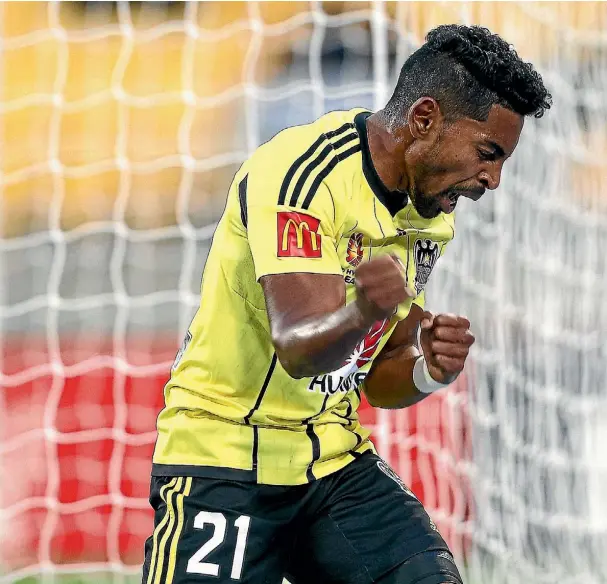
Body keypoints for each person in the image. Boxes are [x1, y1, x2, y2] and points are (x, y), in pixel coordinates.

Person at [142, 24, 551, 584]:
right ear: (424, 119)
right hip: (224, 458)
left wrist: (426, 369)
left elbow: (375, 377)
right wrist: (363, 311)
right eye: (488, 153)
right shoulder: (302, 173)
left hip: (332, 462)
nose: (494, 179)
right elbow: (298, 348)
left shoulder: (430, 213)